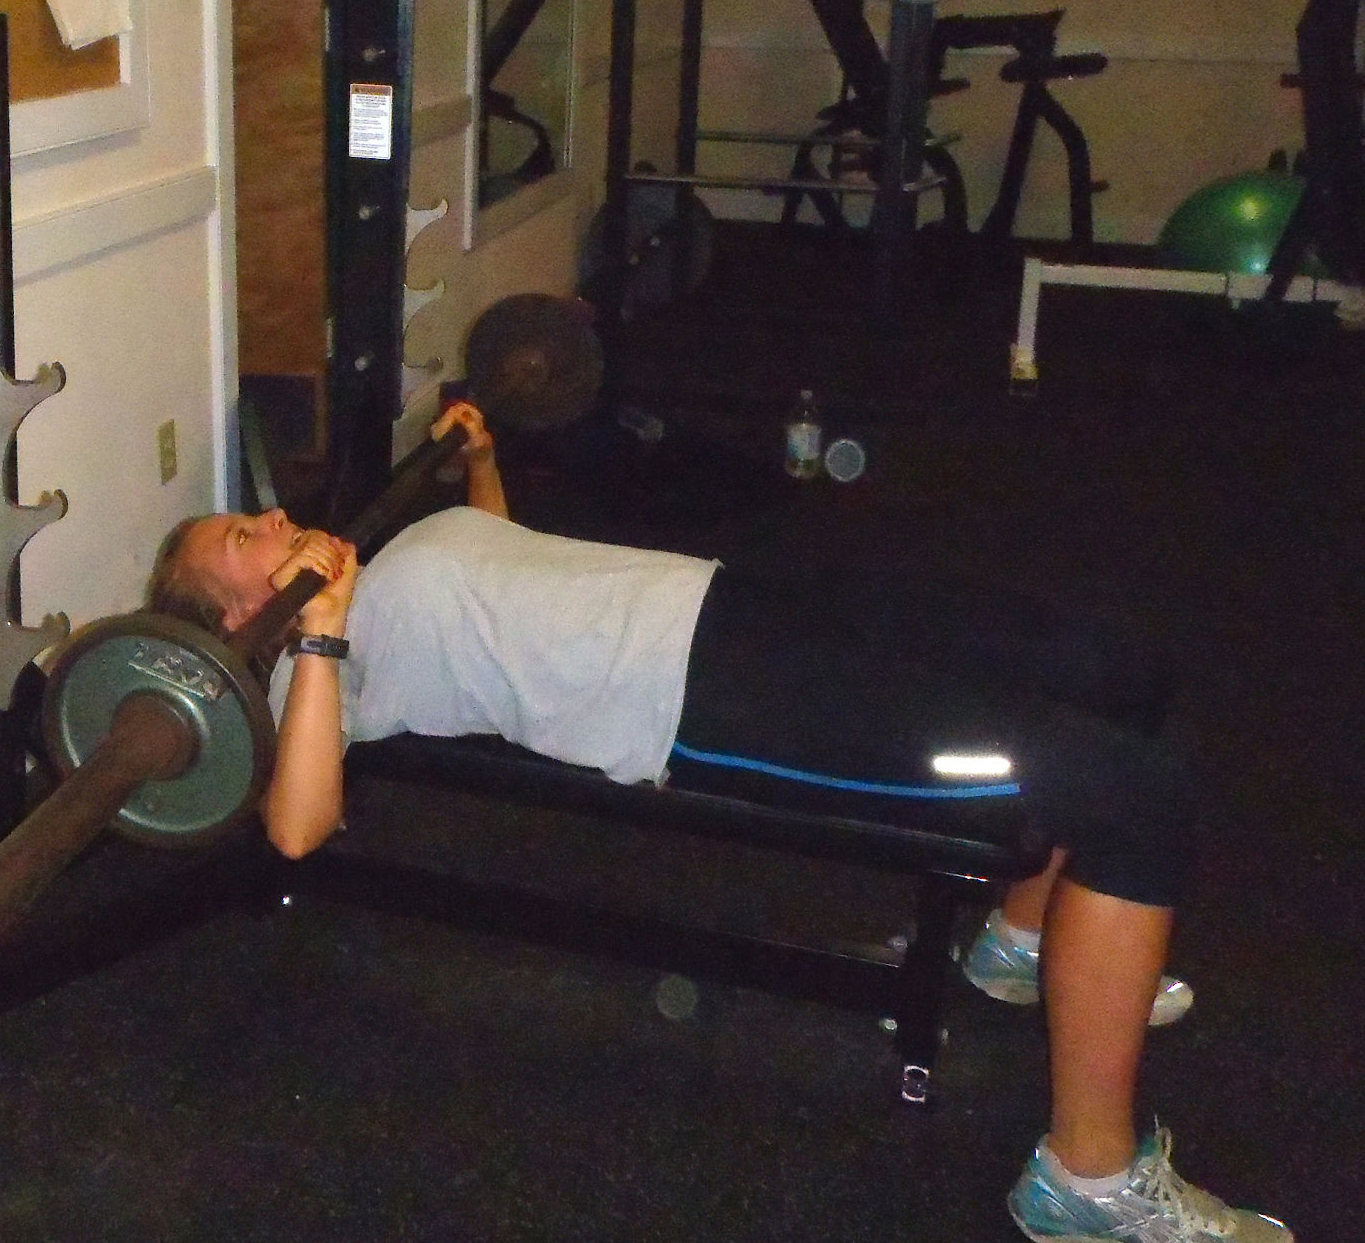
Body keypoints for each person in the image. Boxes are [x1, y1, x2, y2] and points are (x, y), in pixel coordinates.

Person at [148, 401, 1291, 1243]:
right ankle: (1084, 1178)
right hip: (711, 700)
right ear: (242, 612)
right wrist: (318, 630)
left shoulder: (378, 564)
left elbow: (503, 559)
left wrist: (481, 465)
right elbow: (297, 828)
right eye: (245, 537)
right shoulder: (317, 674)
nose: (276, 514)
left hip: (734, 596)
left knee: (1114, 668)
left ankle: (1024, 943)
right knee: (1132, 793)